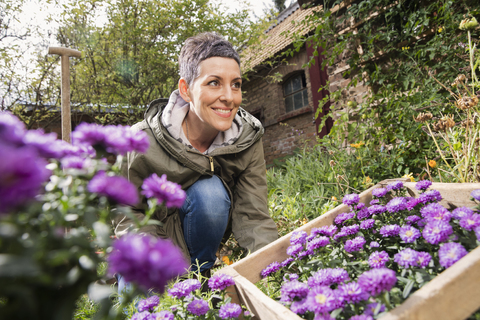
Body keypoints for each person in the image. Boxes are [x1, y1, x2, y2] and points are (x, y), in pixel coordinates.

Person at [114, 32, 278, 284]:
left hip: (199, 244)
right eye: (214, 82)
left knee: (210, 193)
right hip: (150, 249)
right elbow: (126, 212)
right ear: (186, 90)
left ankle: (200, 277)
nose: (229, 96)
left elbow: (253, 215)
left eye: (236, 84)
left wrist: (271, 274)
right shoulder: (141, 141)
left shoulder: (246, 139)